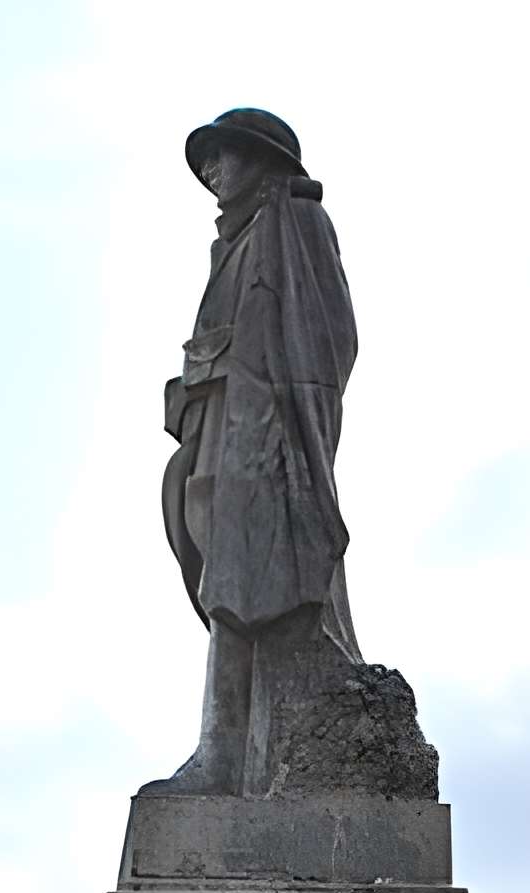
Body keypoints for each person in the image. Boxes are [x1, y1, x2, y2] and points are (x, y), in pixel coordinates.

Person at [140, 108, 362, 798]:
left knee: (243, 586)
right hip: (220, 427)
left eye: (223, 155)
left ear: (259, 159)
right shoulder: (235, 240)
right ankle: (229, 752)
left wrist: (286, 420)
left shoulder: (296, 224)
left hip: (265, 437)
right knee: (219, 576)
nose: (211, 169)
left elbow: (330, 339)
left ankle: (225, 758)